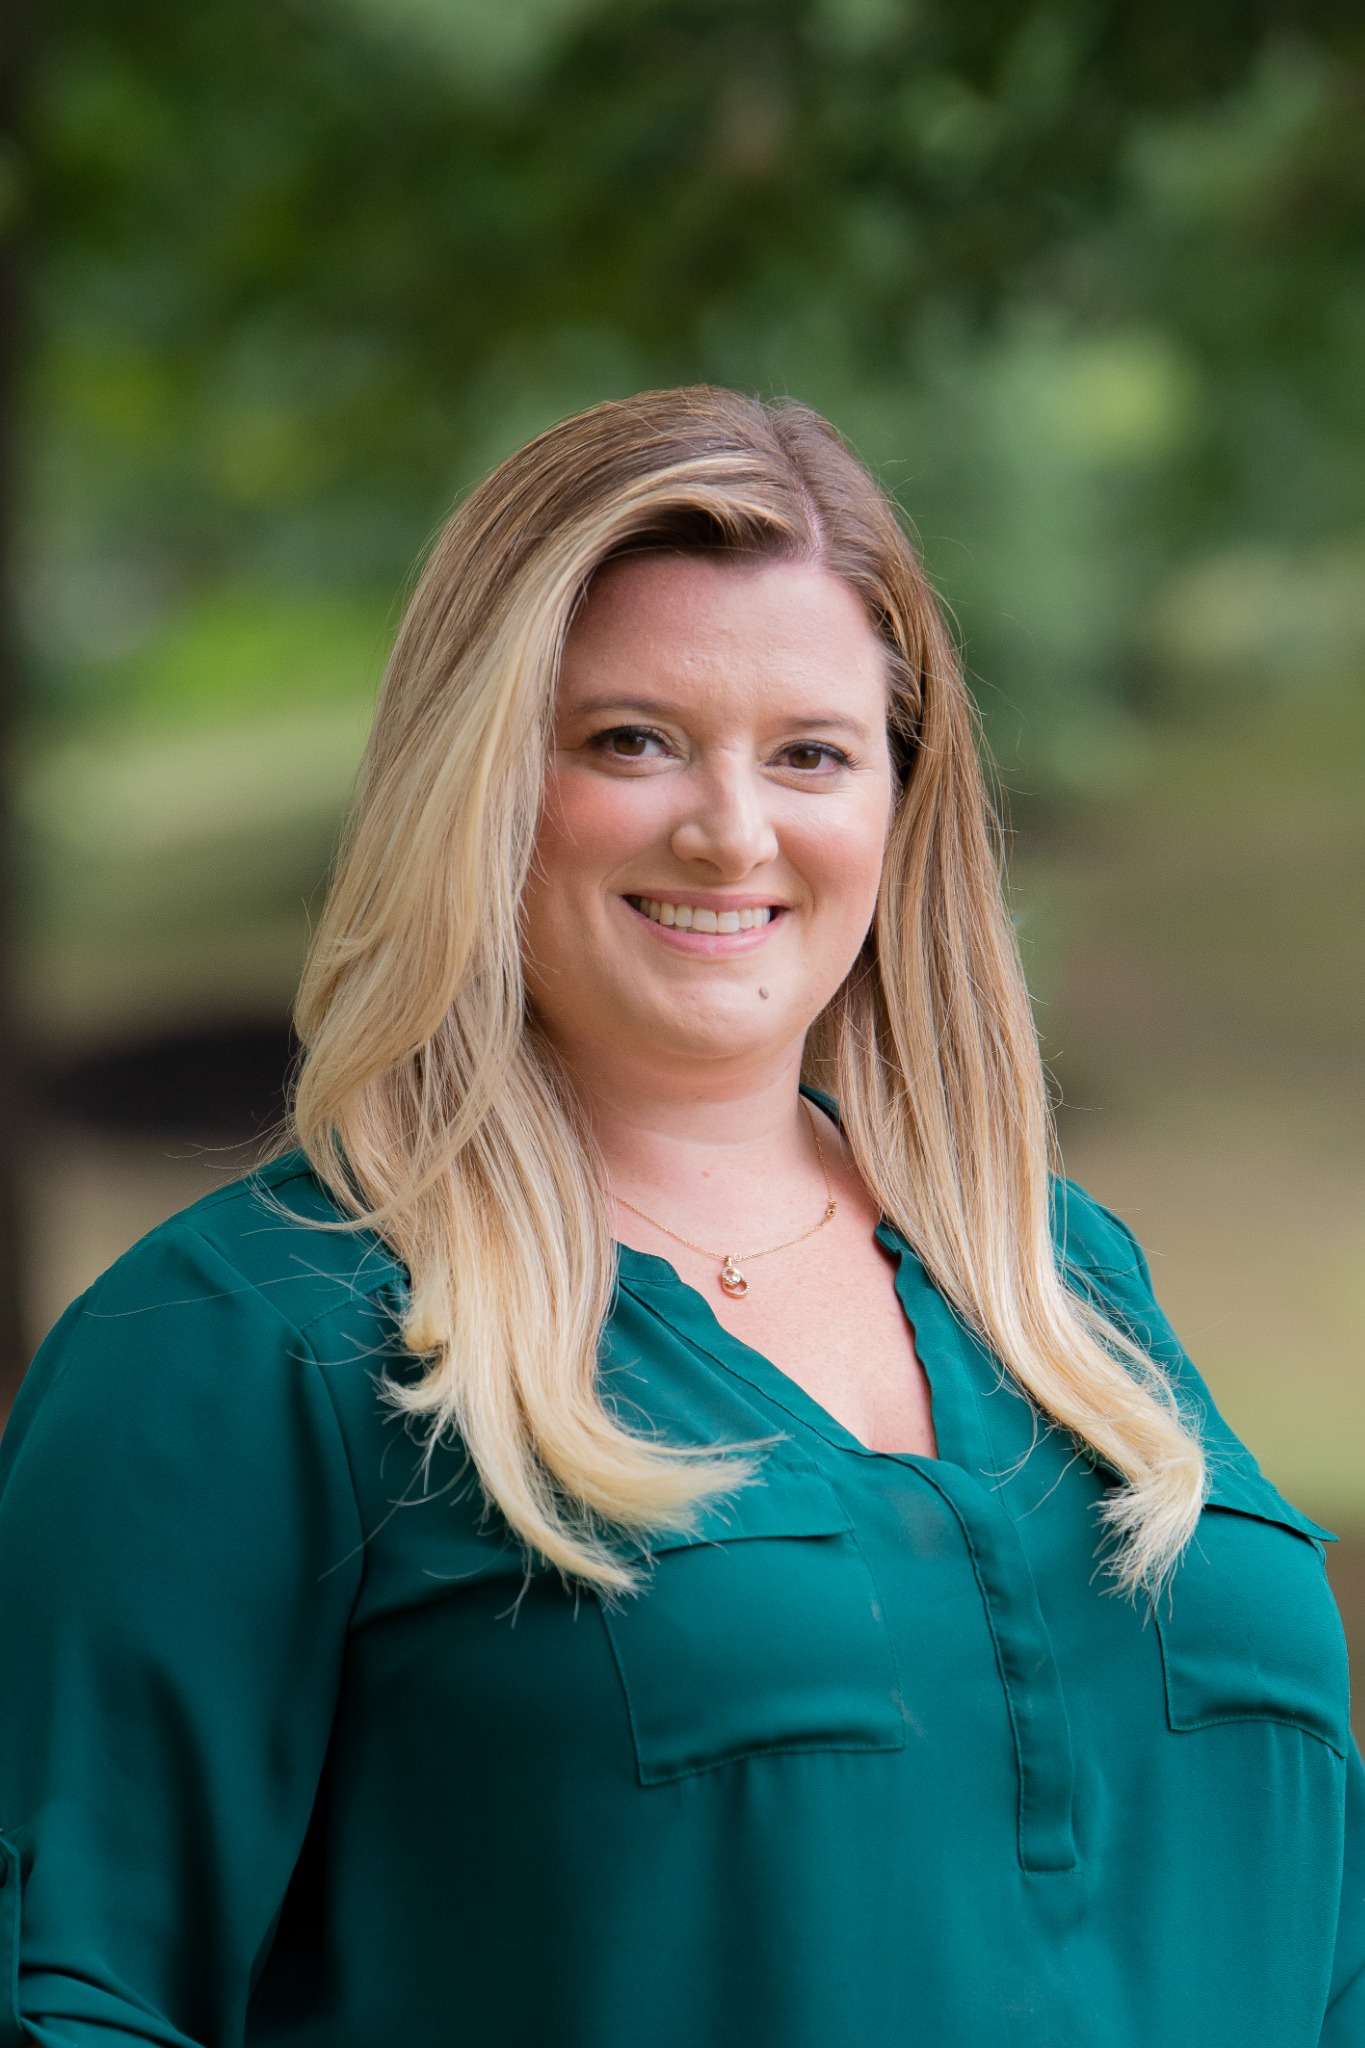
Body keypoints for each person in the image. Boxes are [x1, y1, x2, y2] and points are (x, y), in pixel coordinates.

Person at [0, 385, 1358, 2048]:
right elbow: (74, 1996)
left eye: (810, 753)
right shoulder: (239, 1347)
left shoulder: (1067, 1292)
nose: (733, 829)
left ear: (897, 801)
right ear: (480, 781)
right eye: (630, 741)